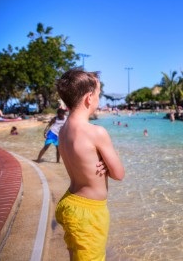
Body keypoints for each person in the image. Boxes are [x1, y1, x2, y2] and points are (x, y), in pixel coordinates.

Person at [54, 68, 125, 260]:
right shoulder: (96, 132)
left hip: (70, 203)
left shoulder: (63, 130)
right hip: (88, 212)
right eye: (99, 94)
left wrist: (101, 160)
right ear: (89, 98)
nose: (99, 99)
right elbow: (119, 174)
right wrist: (108, 160)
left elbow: (81, 159)